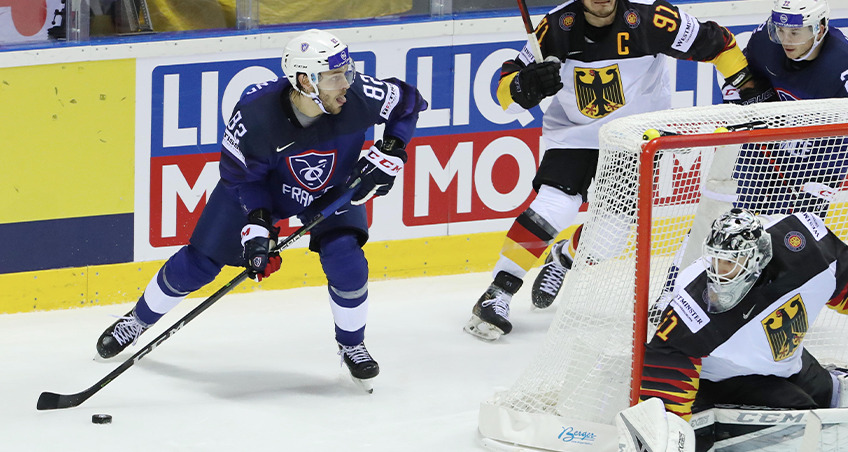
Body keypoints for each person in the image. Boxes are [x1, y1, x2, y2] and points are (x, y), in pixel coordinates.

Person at [95, 29, 427, 389]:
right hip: (264, 192)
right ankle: (138, 320)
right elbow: (243, 180)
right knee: (198, 265)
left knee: (345, 258)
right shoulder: (255, 115)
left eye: (346, 71)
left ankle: (352, 345)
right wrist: (259, 230)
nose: (346, 82)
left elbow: (408, 103)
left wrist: (392, 148)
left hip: (331, 190)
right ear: (305, 80)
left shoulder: (357, 93)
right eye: (334, 76)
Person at [464, 0, 768, 341]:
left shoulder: (652, 19)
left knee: (607, 241)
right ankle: (497, 293)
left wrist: (747, 87)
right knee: (553, 206)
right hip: (574, 136)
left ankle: (564, 257)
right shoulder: (556, 27)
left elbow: (719, 43)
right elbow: (505, 91)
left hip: (635, 140)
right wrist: (525, 85)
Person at [638, 208, 848, 449]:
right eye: (715, 258)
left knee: (835, 396)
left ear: (757, 256)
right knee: (804, 426)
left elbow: (842, 276)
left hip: (786, 362)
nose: (718, 270)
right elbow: (668, 357)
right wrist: (668, 433)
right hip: (725, 379)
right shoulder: (697, 298)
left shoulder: (802, 244)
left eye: (728, 261)